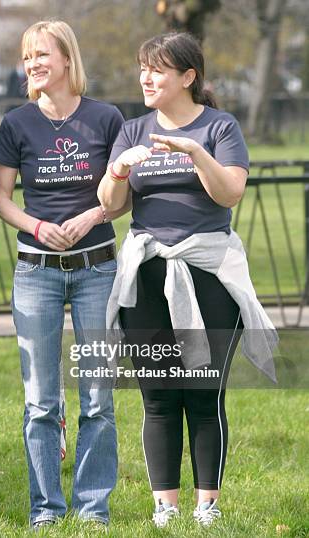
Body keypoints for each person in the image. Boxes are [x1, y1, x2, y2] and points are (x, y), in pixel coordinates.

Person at [98, 32, 277, 528]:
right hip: (147, 275)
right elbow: (111, 205)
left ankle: (206, 507)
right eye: (142, 68)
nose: (145, 78)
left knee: (202, 392)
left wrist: (194, 153)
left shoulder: (220, 127)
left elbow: (230, 194)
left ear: (187, 77)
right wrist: (117, 169)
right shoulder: (133, 129)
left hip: (207, 274)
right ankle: (165, 506)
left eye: (156, 69)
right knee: (157, 394)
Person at [0, 20, 126, 529]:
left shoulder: (106, 118)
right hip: (37, 272)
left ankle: (93, 510)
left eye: (41, 54)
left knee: (97, 396)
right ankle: (45, 510)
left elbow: (122, 194)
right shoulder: (17, 124)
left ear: (67, 58)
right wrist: (38, 226)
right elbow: (3, 198)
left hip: (97, 270)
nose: (32, 64)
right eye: (27, 57)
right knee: (40, 401)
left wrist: (92, 216)